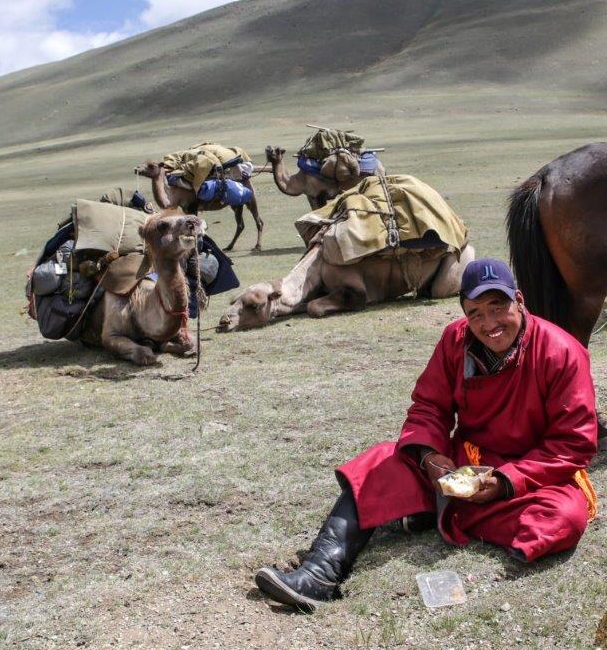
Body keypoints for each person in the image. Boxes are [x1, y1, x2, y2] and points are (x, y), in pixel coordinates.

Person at [255, 258, 598, 609]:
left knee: (564, 517)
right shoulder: (455, 340)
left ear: (519, 301)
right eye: (475, 313)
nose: (489, 323)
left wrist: (507, 481)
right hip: (469, 460)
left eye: (498, 307)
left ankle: (435, 510)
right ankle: (320, 572)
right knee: (383, 461)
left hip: (532, 474)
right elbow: (429, 407)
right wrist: (431, 456)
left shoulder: (563, 352)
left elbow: (571, 444)